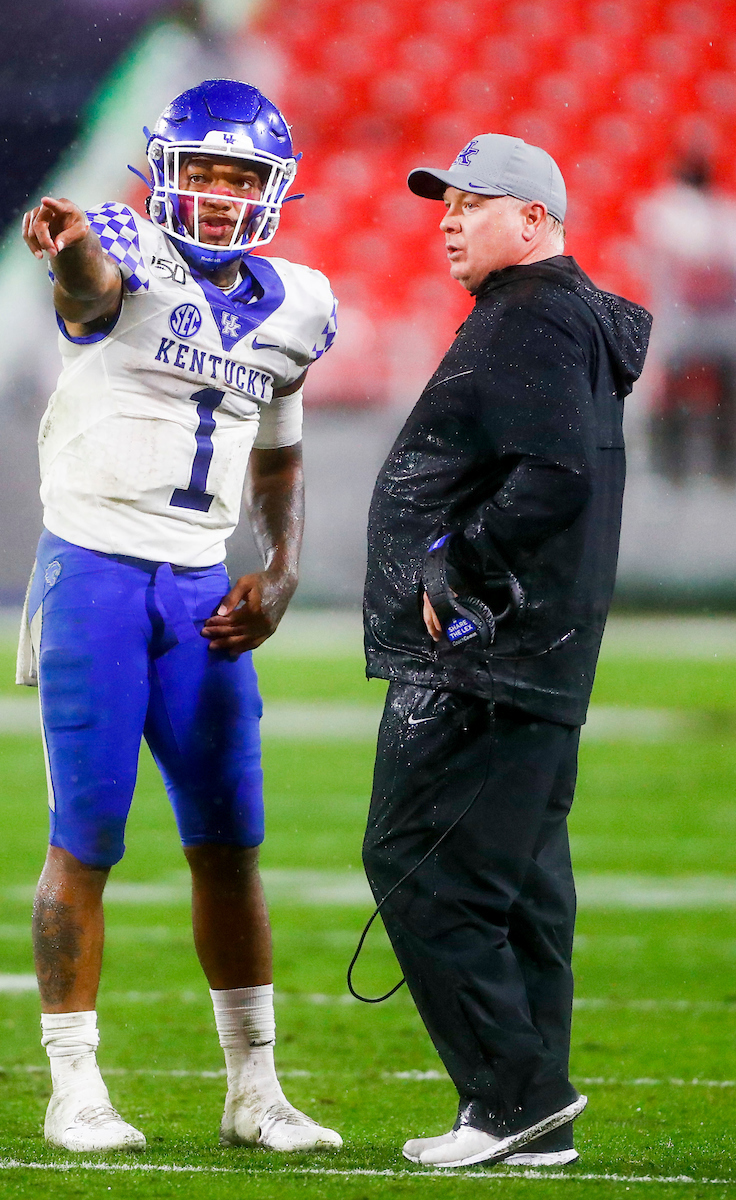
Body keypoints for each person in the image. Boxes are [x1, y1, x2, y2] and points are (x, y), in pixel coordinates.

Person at [19, 78, 341, 1156]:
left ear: (270, 189)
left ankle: (255, 1088)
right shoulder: (118, 240)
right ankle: (74, 1086)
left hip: (203, 590)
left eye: (236, 174)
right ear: (162, 171)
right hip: (99, 572)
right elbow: (88, 289)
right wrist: (66, 241)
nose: (213, 191)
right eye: (197, 169)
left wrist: (283, 571)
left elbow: (279, 445)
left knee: (229, 844)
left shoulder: (298, 299)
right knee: (87, 837)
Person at [361, 134, 651, 1168]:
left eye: (470, 202)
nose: (444, 218)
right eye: (442, 202)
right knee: (522, 883)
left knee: (418, 868)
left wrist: (454, 563)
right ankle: (534, 1119)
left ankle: (509, 1096)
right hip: (534, 651)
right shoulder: (554, 313)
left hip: (487, 658)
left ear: (532, 221)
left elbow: (553, 476)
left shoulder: (528, 314)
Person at [634, 156, 736, 484]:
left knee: (727, 384)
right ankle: (669, 462)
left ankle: (724, 460)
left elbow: (707, 253)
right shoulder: (665, 208)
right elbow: (695, 251)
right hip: (678, 317)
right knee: (667, 386)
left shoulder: (723, 209)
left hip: (719, 318)